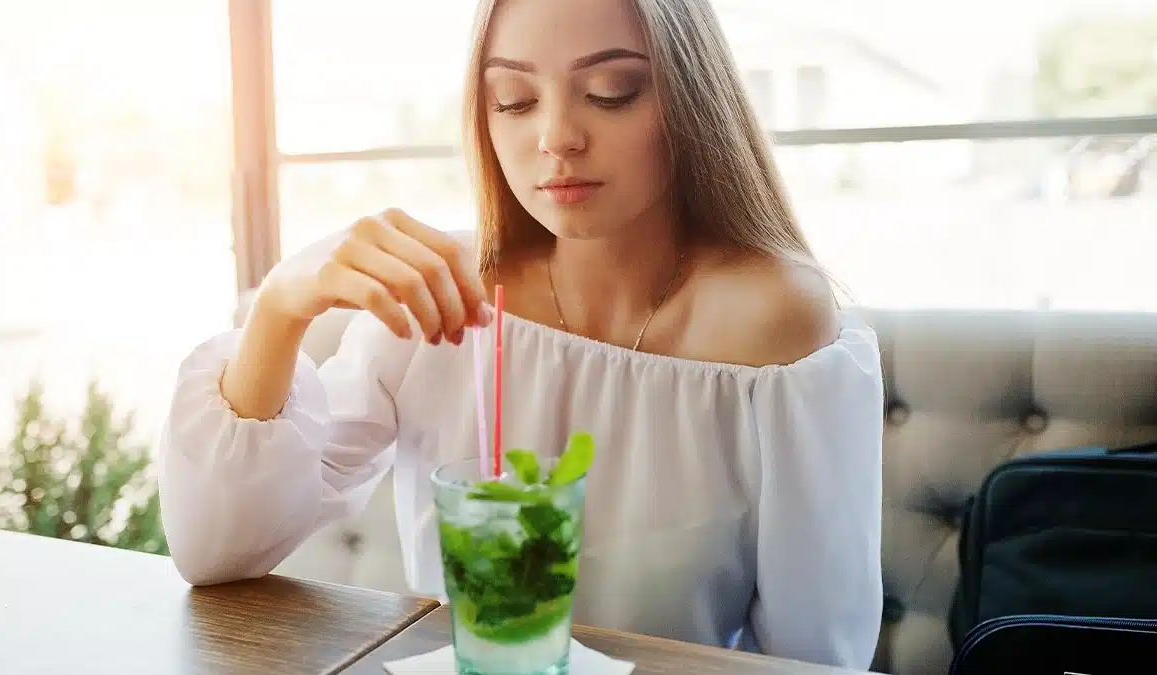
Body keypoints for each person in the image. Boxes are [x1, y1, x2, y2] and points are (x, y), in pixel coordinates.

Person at [156, 0, 885, 669]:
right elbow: (216, 550)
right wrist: (282, 306)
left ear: (690, 101)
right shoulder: (448, 296)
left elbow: (817, 653)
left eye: (611, 92)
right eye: (515, 99)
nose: (556, 138)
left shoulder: (771, 319)